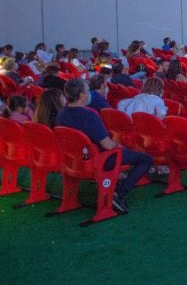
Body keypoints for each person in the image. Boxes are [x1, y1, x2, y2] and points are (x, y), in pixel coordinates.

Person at [56, 77, 152, 214]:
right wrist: (118, 146)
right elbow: (107, 145)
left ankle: (116, 186)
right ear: (82, 95)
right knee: (146, 159)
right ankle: (119, 193)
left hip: (74, 160)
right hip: (100, 159)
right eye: (88, 91)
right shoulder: (89, 116)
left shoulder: (61, 115)